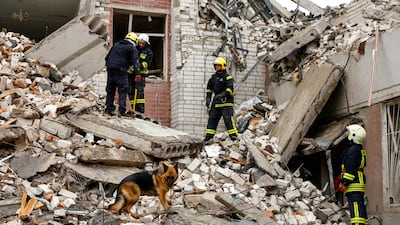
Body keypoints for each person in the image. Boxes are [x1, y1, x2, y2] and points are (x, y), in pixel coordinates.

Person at [338, 124, 368, 225]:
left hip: (354, 184)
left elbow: (350, 170)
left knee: (355, 208)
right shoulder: (358, 148)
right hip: (358, 183)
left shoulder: (352, 150)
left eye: (349, 133)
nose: (348, 135)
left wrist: (344, 183)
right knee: (360, 206)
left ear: (354, 135)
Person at [204, 57, 238, 144]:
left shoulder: (228, 77)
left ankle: (234, 136)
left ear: (223, 66)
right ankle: (208, 138)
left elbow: (230, 89)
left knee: (228, 120)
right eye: (215, 66)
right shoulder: (213, 77)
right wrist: (208, 99)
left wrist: (222, 94)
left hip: (226, 103)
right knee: (212, 119)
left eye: (218, 66)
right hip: (216, 103)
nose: (217, 67)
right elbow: (209, 89)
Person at [105, 32, 140, 116]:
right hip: (121, 70)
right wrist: (137, 74)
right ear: (134, 41)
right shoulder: (132, 48)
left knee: (110, 89)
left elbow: (107, 57)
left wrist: (109, 66)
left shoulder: (116, 44)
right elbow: (136, 62)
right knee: (123, 89)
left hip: (110, 68)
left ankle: (109, 108)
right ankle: (122, 110)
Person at [128, 33, 153, 113]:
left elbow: (146, 63)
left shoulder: (148, 52)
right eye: (140, 42)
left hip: (141, 75)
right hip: (131, 75)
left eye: (143, 43)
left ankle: (140, 111)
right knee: (131, 91)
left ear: (146, 43)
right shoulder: (134, 49)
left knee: (140, 93)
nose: (141, 44)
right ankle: (133, 109)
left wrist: (137, 67)